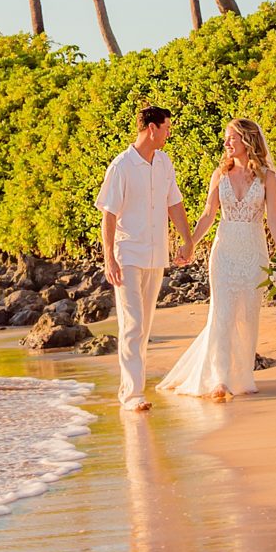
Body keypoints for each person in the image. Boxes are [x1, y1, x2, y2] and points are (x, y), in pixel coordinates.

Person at [158, 117, 276, 403]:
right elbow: (208, 214)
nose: (226, 143)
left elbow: (273, 217)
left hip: (254, 252)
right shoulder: (220, 174)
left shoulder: (267, 177)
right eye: (226, 138)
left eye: (231, 138)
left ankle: (241, 376)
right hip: (224, 251)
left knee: (247, 315)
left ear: (247, 140)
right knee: (222, 313)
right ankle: (219, 378)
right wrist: (190, 244)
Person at [96, 105, 193, 413]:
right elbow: (108, 214)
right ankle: (132, 394)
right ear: (152, 128)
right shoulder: (121, 166)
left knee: (145, 325)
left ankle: (134, 388)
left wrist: (187, 240)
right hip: (127, 254)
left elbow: (174, 203)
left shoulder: (164, 162)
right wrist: (109, 258)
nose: (169, 134)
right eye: (166, 128)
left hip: (155, 254)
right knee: (132, 324)